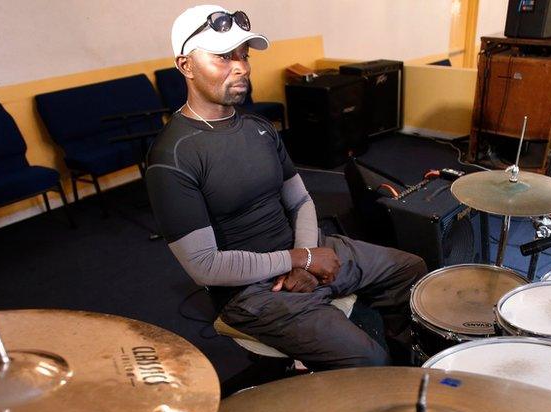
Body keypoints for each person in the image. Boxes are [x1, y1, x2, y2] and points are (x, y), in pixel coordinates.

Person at [145, 5, 427, 369]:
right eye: (223, 57)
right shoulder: (172, 156)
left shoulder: (258, 128)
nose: (242, 66)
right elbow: (205, 266)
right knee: (368, 358)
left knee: (410, 269)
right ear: (186, 66)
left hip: (304, 250)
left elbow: (300, 200)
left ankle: (404, 371)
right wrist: (301, 260)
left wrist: (305, 255)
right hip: (251, 291)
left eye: (243, 55)